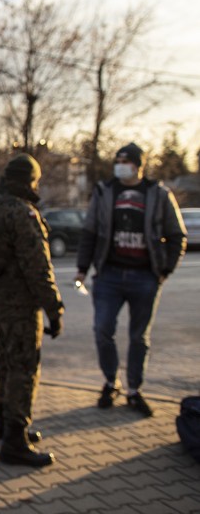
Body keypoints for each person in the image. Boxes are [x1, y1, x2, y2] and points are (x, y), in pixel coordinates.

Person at [74, 143, 187, 418]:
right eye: (118, 160)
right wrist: (82, 268)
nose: (120, 164)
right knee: (102, 330)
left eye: (125, 160)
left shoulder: (158, 194)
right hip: (108, 276)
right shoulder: (104, 191)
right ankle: (111, 382)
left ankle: (134, 390)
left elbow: (177, 236)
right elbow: (90, 232)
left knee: (139, 337)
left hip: (144, 277)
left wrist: (164, 270)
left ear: (138, 165)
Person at [0, 154, 64, 468]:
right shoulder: (21, 212)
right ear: (29, 180)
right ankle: (15, 439)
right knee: (24, 366)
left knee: (7, 359)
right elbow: (39, 269)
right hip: (21, 303)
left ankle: (1, 422)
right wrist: (55, 309)